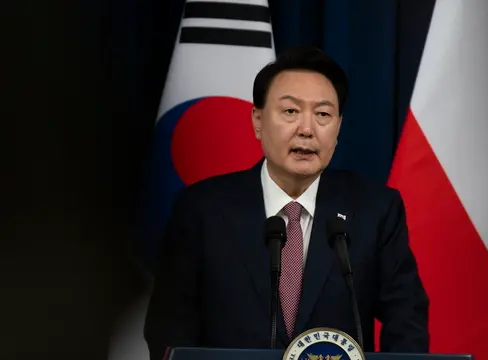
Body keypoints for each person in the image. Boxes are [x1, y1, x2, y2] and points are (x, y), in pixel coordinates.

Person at [144, 45, 429, 360]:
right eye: (291, 111)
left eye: (323, 114)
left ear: (338, 127)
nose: (306, 130)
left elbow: (407, 321)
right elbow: (169, 325)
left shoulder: (375, 209)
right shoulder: (203, 209)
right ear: (258, 120)